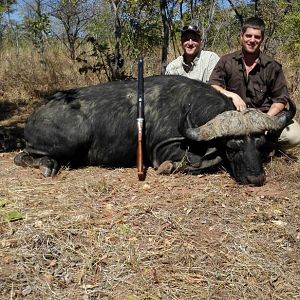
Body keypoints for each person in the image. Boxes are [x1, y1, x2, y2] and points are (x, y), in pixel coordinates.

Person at [208, 16, 300, 150]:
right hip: (236, 119)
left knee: (294, 136)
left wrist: (266, 120)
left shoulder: (272, 66)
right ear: (241, 36)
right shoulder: (226, 61)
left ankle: (269, 148)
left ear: (262, 39)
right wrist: (232, 95)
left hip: (265, 115)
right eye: (248, 36)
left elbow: (281, 100)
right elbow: (213, 85)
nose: (252, 40)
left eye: (257, 37)